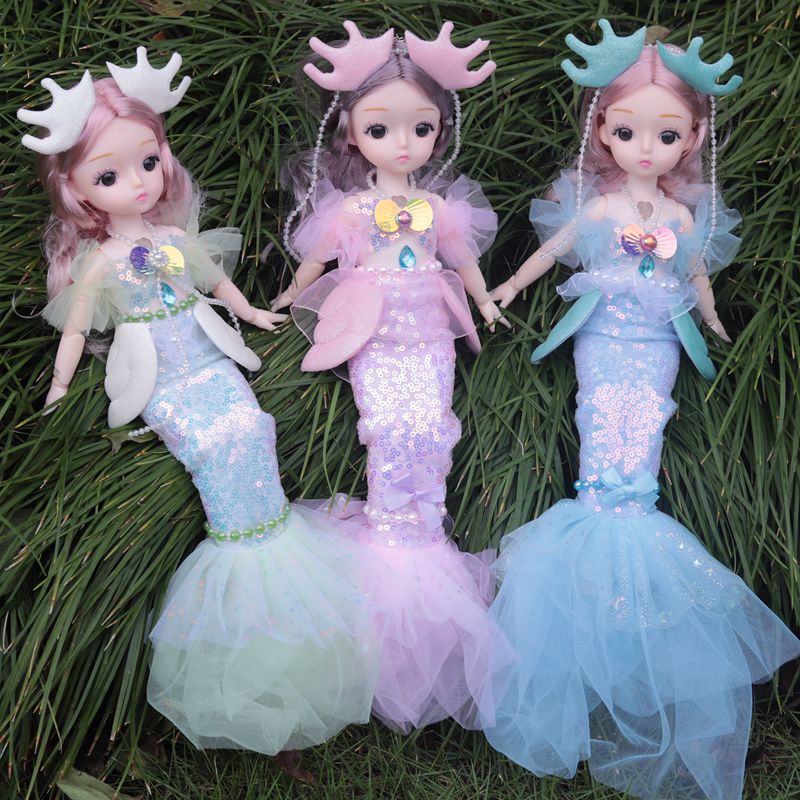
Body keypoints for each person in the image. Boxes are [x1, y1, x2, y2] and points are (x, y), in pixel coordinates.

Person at [19, 48, 379, 765]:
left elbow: (217, 283)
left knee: (251, 424)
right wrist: (59, 386)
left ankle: (272, 539)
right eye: (109, 176)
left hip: (211, 361)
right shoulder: (100, 260)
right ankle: (244, 556)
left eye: (148, 163)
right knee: (214, 446)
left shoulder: (174, 239)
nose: (138, 183)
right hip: (161, 380)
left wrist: (255, 312)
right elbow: (76, 329)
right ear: (77, 189)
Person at [483, 21, 800, 800]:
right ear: (603, 131)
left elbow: (697, 280)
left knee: (642, 439)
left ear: (693, 139)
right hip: (602, 343)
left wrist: (714, 321)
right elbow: (548, 254)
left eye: (666, 134)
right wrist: (510, 286)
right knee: (603, 438)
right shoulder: (594, 209)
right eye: (627, 132)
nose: (645, 148)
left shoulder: (684, 220)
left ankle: (625, 584)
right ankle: (600, 569)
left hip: (658, 345)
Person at [278, 21, 515, 732]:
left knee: (431, 429)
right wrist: (289, 297)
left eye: (422, 127)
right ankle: (390, 541)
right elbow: (315, 261)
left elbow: (462, 260)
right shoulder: (349, 208)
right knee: (387, 428)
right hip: (375, 331)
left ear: (439, 133)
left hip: (431, 329)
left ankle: (425, 535)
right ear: (352, 134)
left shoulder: (439, 207)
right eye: (381, 128)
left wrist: (483, 301)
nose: (403, 143)